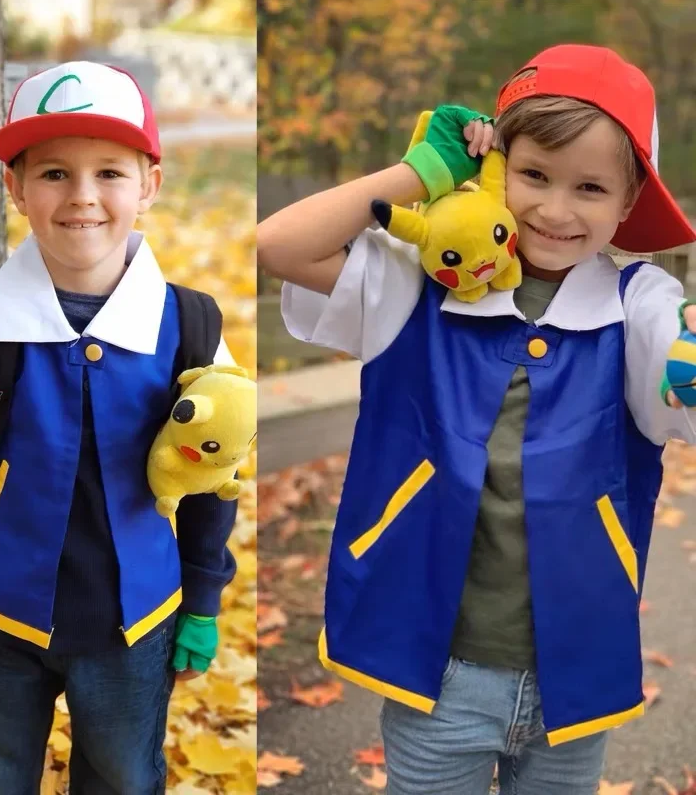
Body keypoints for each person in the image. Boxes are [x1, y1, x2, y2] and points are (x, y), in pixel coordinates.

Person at [257, 44, 696, 794]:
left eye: (590, 187)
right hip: (442, 678)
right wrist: (426, 172)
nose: (556, 210)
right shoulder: (422, 282)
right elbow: (278, 245)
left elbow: (678, 348)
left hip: (577, 676)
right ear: (497, 168)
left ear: (627, 204)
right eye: (534, 176)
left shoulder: (638, 300)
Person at [0, 61, 239, 794]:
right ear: (15, 188)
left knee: (121, 779)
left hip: (135, 629)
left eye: (109, 172)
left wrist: (205, 601)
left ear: (150, 184)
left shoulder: (193, 327)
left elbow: (215, 478)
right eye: (53, 173)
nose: (82, 196)